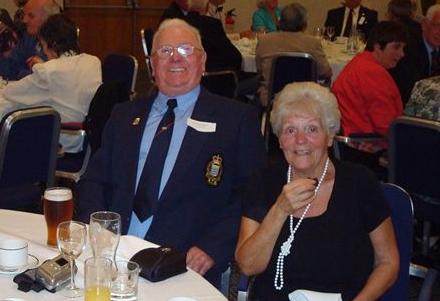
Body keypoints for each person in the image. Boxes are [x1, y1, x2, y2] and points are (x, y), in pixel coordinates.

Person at [76, 18, 266, 288]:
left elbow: (251, 195)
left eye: (186, 50)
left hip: (184, 262)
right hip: (114, 255)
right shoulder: (124, 115)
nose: (175, 58)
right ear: (152, 65)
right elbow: (94, 179)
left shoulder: (235, 120)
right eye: (164, 51)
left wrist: (212, 246)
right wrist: (97, 230)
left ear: (203, 61)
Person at [235, 81, 399, 301]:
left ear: (330, 136)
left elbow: (388, 263)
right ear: (280, 141)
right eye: (290, 130)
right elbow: (248, 265)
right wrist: (280, 210)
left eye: (312, 129)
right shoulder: (263, 182)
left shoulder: (360, 182)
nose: (300, 140)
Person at [0, 14, 101, 152]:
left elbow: (14, 92)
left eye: (42, 45)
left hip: (61, 138)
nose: (44, 51)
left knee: (8, 108)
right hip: (84, 137)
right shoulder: (92, 61)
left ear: (51, 44)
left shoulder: (50, 71)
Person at [332, 21, 405, 168]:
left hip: (349, 144)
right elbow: (386, 126)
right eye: (396, 47)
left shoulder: (359, 62)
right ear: (378, 46)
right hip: (366, 149)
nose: (402, 54)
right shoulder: (372, 73)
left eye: (403, 48)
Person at [256, 3, 332, 107]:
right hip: (305, 98)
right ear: (304, 24)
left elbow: (260, 70)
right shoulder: (313, 43)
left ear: (280, 21)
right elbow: (325, 72)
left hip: (272, 98)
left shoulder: (265, 40)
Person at [390, 4, 440, 105]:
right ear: (424, 25)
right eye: (438, 26)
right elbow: (412, 89)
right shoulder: (407, 49)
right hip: (408, 107)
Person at [0, 0, 60, 80]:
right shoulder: (29, 37)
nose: (24, 20)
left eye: (31, 16)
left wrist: (21, 73)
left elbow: (45, 78)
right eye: (24, 15)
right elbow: (11, 68)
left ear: (48, 19)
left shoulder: (61, 43)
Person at [387, 0, 422, 105]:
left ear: (392, 13)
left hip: (397, 83)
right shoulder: (419, 28)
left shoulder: (391, 30)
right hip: (417, 80)